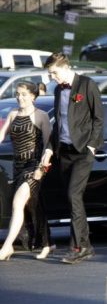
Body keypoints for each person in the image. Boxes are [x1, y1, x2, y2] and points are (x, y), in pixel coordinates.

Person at [41, 52, 104, 264]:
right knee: (73, 200)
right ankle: (85, 245)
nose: (52, 78)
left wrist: (92, 146)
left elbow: (98, 118)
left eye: (54, 73)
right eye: (50, 74)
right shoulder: (59, 91)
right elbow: (58, 124)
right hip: (65, 151)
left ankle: (78, 247)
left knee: (72, 195)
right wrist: (49, 149)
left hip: (83, 152)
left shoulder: (87, 85)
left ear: (65, 67)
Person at [0, 82, 53, 261]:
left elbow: (48, 144)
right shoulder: (13, 114)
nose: (19, 97)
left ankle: (7, 247)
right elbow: (1, 135)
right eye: (17, 94)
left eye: (23, 94)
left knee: (18, 203)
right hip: (18, 167)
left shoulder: (41, 116)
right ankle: (46, 243)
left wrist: (41, 168)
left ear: (33, 96)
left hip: (34, 166)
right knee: (33, 207)